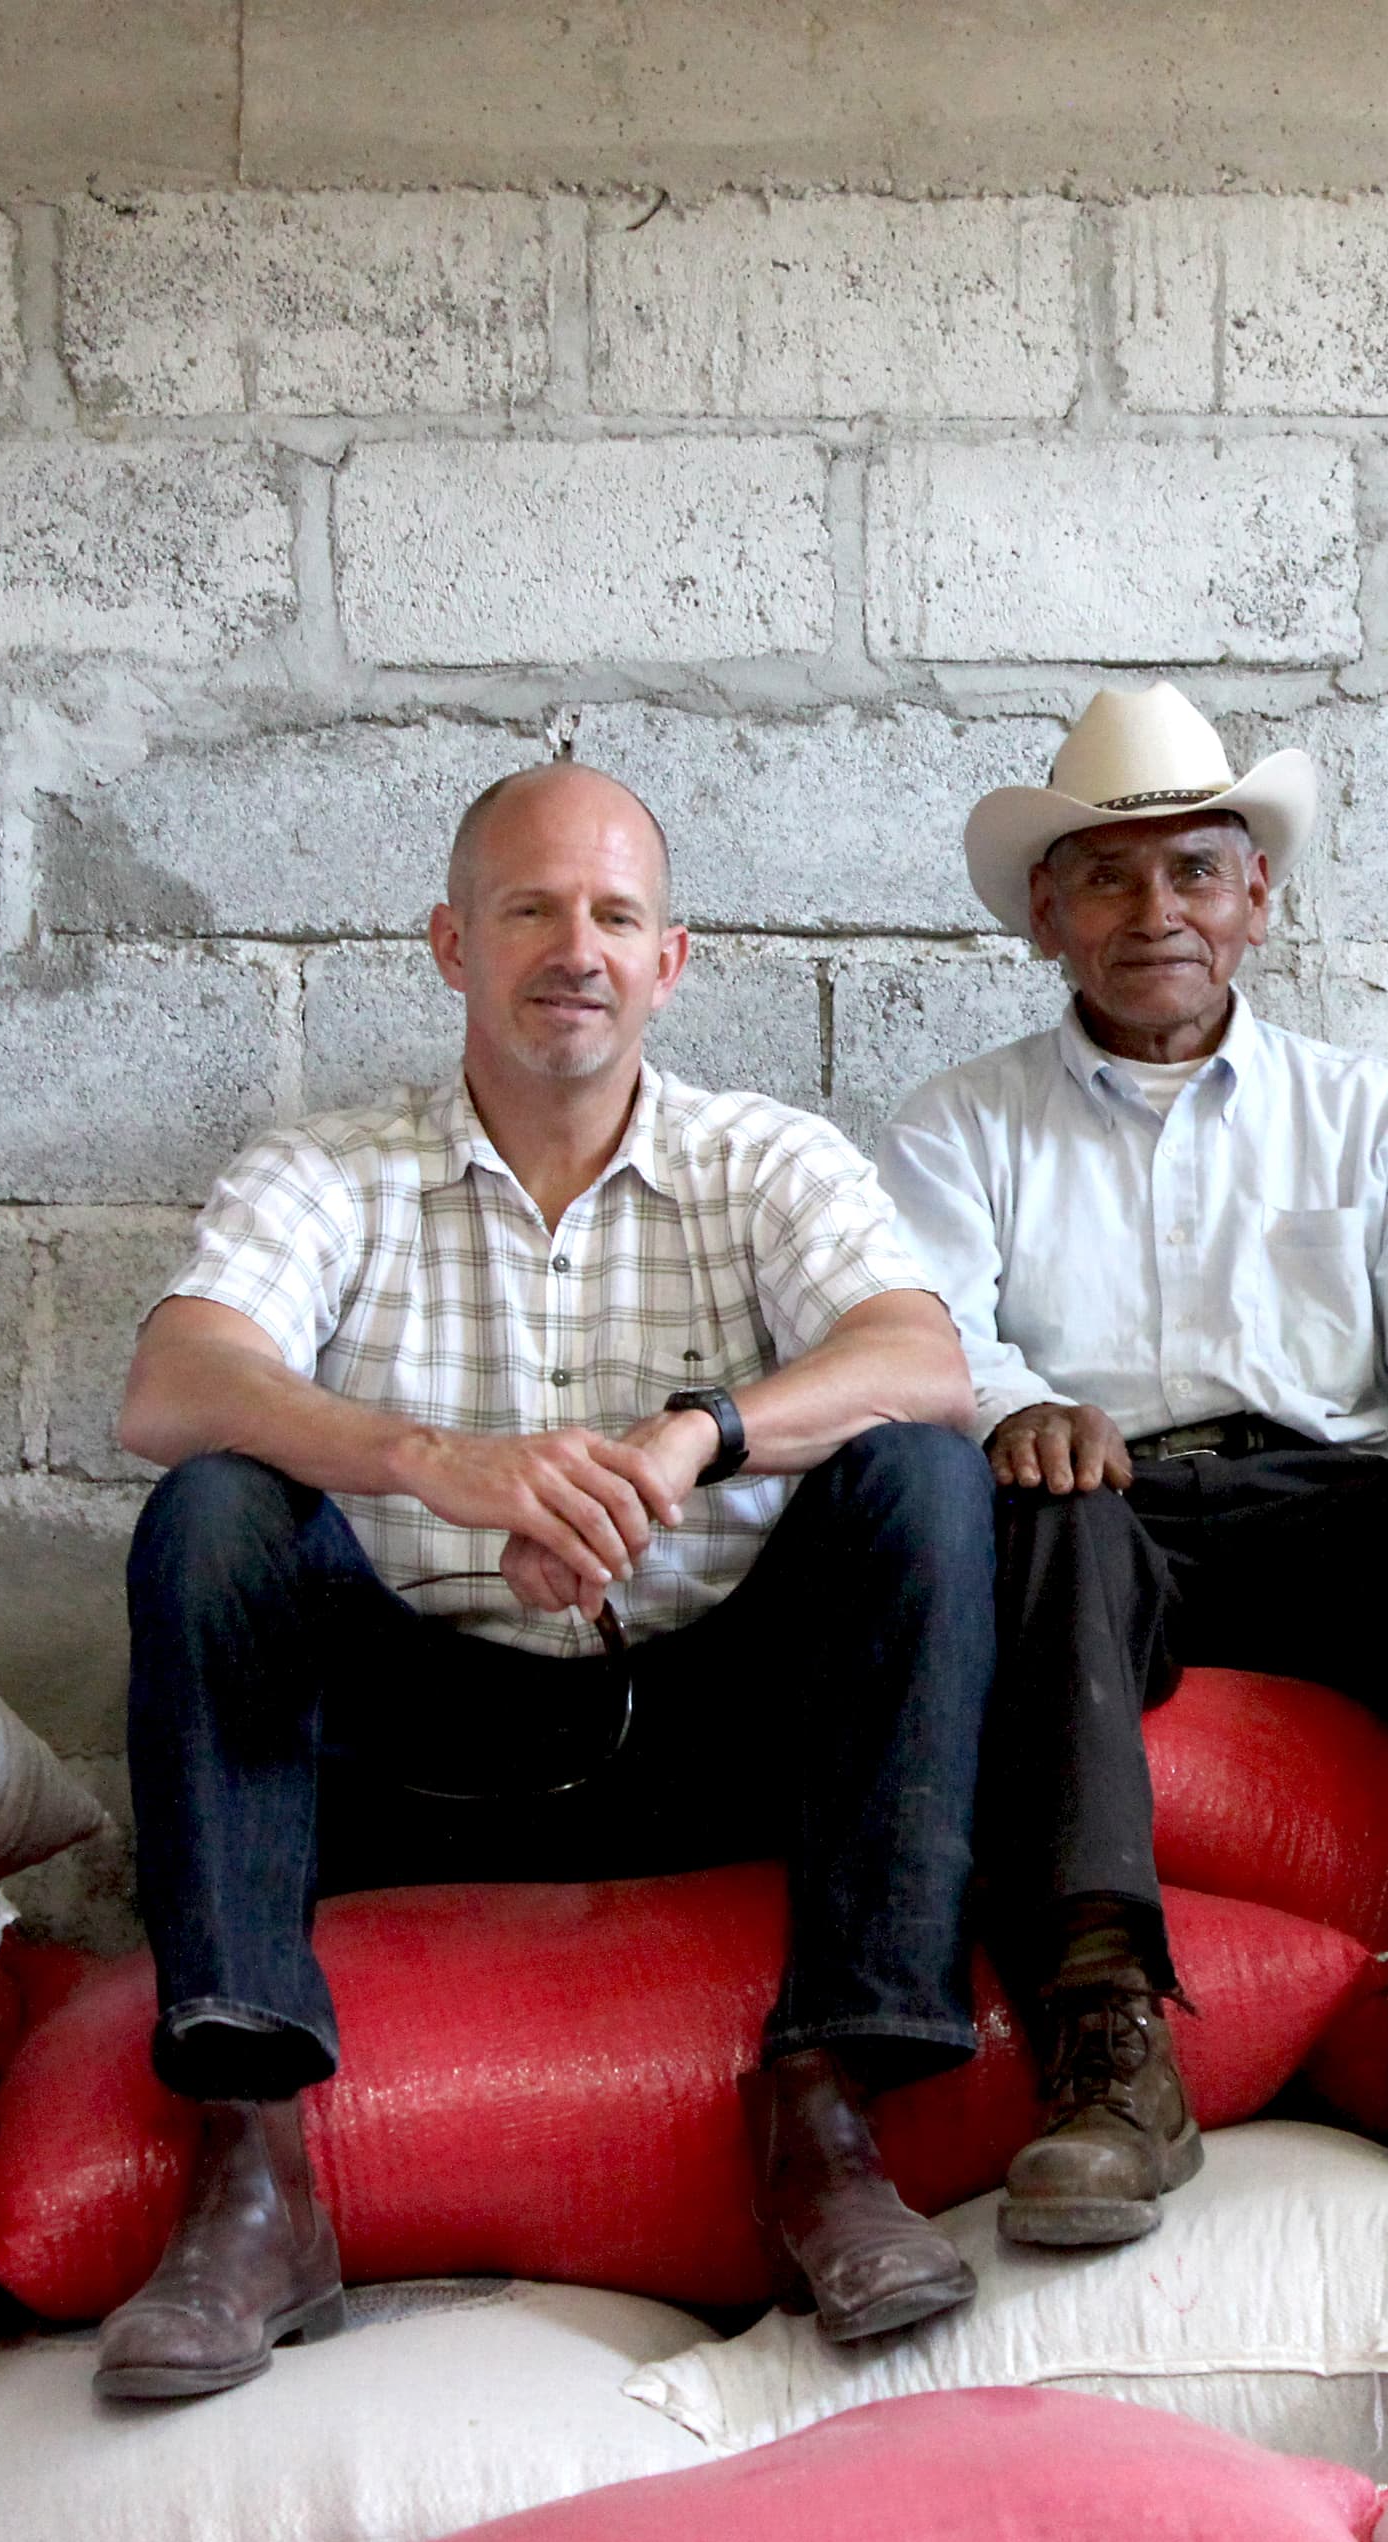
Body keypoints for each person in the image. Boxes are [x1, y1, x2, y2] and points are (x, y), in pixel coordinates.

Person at [99, 760, 998, 2397]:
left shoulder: (761, 1159)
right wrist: (428, 1456)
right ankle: (249, 2166)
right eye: (529, 911)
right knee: (218, 1505)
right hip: (412, 1756)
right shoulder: (329, 1167)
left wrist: (693, 1440)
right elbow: (172, 1385)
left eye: (613, 915)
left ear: (674, 960)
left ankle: (830, 2122)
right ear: (451, 944)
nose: (572, 949)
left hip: (716, 1734)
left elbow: (923, 1356)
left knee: (918, 1469)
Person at [877, 683, 1388, 2246]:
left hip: (1326, 1516)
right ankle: (1108, 2048)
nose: (1155, 911)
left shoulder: (1371, 1116)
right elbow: (921, 1335)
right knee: (1034, 1497)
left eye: (1193, 871)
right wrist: (1007, 1409)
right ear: (1047, 917)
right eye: (1110, 879)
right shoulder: (959, 1125)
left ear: (1256, 899)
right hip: (1103, 1524)